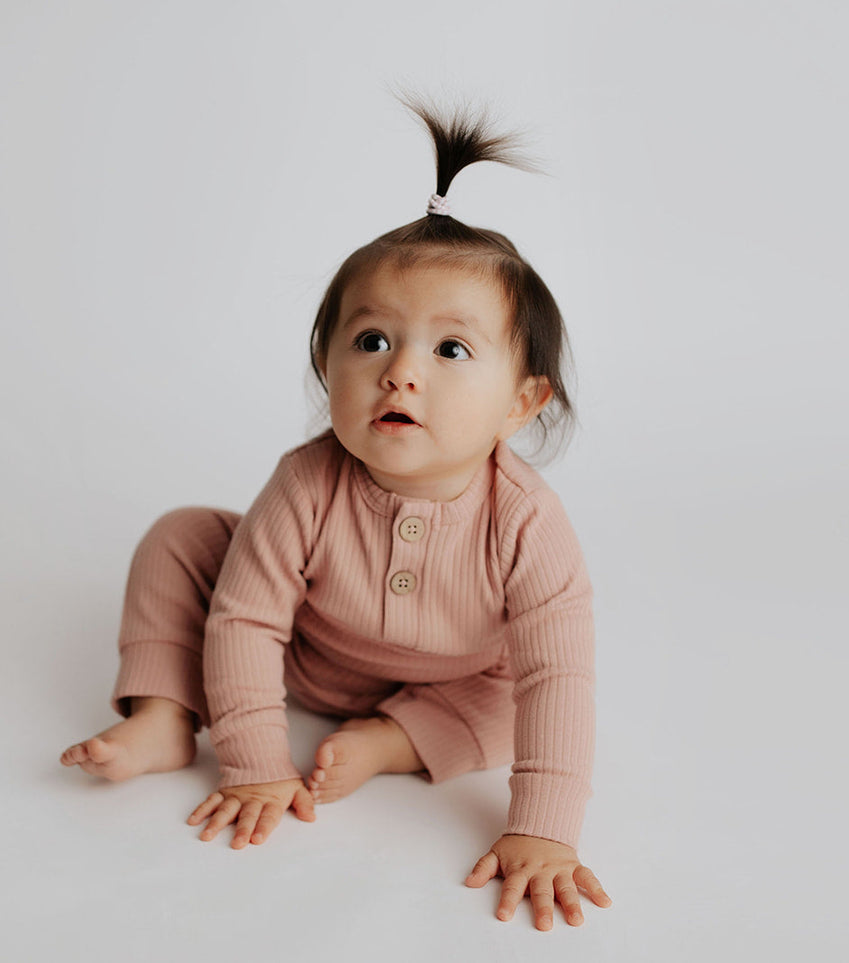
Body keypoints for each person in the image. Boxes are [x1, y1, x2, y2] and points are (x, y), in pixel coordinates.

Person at [60, 97, 612, 932]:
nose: (400, 374)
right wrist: (253, 761)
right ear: (326, 367)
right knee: (184, 537)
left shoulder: (528, 521)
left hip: (455, 679)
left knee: (520, 697)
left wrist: (542, 827)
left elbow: (556, 674)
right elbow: (243, 619)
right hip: (304, 653)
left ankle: (393, 740)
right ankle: (165, 718)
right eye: (370, 341)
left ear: (521, 402)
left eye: (450, 349)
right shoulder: (306, 481)